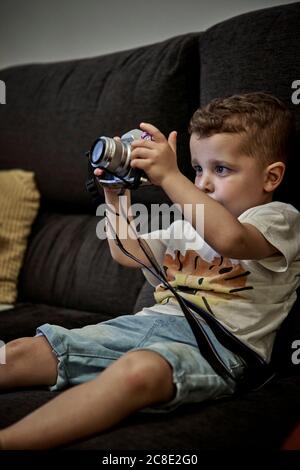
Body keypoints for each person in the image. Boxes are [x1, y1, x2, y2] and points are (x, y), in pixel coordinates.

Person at [0, 92, 299, 450]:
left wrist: (172, 176)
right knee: (20, 351)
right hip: (146, 324)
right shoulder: (186, 225)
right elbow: (128, 252)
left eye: (221, 169)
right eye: (197, 169)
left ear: (271, 177)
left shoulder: (277, 219)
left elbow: (230, 239)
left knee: (138, 372)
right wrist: (115, 196)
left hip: (219, 348)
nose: (202, 183)